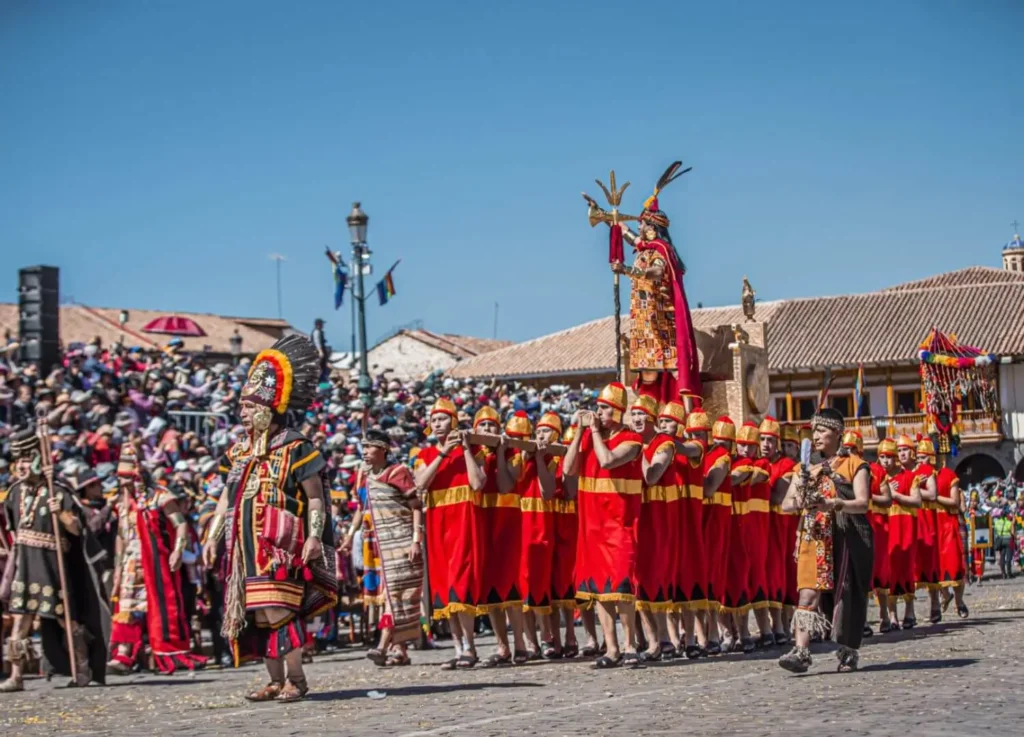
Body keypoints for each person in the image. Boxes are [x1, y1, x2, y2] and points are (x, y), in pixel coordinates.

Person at [202, 335, 338, 703]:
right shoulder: (238, 452)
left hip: (280, 545)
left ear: (267, 408)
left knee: (278, 607)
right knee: (257, 615)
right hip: (244, 548)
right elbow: (225, 499)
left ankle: (296, 678)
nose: (242, 412)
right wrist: (212, 537)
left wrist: (313, 537)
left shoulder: (296, 446)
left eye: (248, 406)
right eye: (241, 407)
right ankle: (275, 680)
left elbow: (315, 497)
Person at [1, 428, 108, 692]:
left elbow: (76, 529)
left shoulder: (58, 492)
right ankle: (16, 676)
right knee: (20, 621)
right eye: (19, 462)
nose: (22, 466)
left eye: (27, 460)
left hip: (52, 566)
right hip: (25, 565)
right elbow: (14, 530)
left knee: (67, 620)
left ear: (38, 460)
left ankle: (81, 669)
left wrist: (58, 512)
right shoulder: (14, 493)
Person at [778, 408, 872, 674]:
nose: (816, 436)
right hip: (813, 535)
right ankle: (801, 651)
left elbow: (863, 503)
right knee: (807, 592)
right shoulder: (804, 467)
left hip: (845, 536)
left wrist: (833, 503)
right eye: (814, 431)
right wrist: (802, 499)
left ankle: (848, 649)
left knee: (846, 593)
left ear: (838, 433)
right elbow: (786, 504)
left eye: (822, 430)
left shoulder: (855, 465)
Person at [562, 382, 643, 668]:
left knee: (621, 585)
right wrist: (579, 433)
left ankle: (631, 644)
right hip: (592, 526)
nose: (599, 412)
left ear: (619, 412)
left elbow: (608, 460)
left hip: (620, 523)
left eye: (605, 408)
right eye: (598, 407)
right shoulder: (588, 437)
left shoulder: (632, 439)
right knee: (599, 589)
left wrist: (594, 431)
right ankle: (611, 648)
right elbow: (567, 469)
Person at [107, 443, 206, 675]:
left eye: (128, 479)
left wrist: (177, 550)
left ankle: (169, 652)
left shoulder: (160, 497)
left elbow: (181, 525)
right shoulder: (122, 504)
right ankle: (124, 653)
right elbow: (121, 536)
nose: (125, 485)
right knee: (127, 607)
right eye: (121, 480)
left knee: (161, 606)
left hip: (155, 561)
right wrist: (118, 567)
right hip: (132, 564)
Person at [611, 162, 701, 405]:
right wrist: (612, 220)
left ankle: (684, 412)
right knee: (647, 371)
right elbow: (632, 239)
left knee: (671, 367)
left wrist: (629, 269)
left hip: (661, 319)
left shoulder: (661, 250)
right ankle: (651, 413)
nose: (638, 227)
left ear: (651, 229)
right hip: (644, 320)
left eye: (642, 224)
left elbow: (656, 271)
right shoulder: (645, 248)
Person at [340, 429, 423, 666]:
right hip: (377, 544)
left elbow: (416, 505)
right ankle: (400, 649)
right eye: (363, 448)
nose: (365, 452)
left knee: (397, 594)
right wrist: (349, 536)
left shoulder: (399, 472)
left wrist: (416, 539)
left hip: (402, 541)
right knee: (389, 594)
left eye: (370, 447)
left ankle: (382, 645)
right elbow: (360, 508)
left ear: (384, 450)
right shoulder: (365, 475)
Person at [415, 397, 486, 669]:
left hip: (463, 521)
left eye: (442, 419)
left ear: (454, 421)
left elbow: (478, 483)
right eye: (433, 420)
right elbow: (420, 483)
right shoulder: (425, 455)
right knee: (445, 587)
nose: (436, 424)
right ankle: (459, 649)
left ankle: (470, 645)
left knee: (461, 582)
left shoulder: (472, 449)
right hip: (437, 523)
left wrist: (465, 449)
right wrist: (443, 453)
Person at [474, 406, 527, 666]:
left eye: (491, 426)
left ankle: (519, 644)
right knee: (490, 585)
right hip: (483, 519)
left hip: (507, 519)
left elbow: (507, 484)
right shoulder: (474, 455)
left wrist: (503, 452)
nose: (486, 431)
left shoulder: (514, 453)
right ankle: (501, 646)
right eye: (482, 427)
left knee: (509, 580)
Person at [657, 400, 707, 658]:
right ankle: (670, 640)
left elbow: (686, 449)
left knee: (687, 582)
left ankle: (690, 640)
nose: (663, 426)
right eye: (662, 422)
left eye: (668, 422)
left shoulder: (696, 445)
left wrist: (665, 441)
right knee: (667, 580)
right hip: (667, 522)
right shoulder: (659, 448)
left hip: (688, 525)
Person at [633, 394, 680, 660]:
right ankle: (652, 640)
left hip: (660, 516)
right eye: (634, 415)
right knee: (640, 576)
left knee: (657, 573)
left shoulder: (665, 444)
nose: (637, 420)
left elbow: (652, 476)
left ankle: (663, 638)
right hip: (639, 514)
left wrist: (637, 450)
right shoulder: (634, 442)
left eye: (642, 415)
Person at [512, 411, 560, 657]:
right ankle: (529, 641)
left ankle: (547, 636)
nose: (540, 435)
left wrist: (540, 459)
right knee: (522, 584)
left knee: (540, 581)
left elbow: (547, 490)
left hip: (540, 524)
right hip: (518, 525)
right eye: (538, 431)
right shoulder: (518, 459)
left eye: (546, 431)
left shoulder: (553, 459)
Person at [690, 408, 731, 655]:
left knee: (712, 575)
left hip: (714, 521)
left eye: (700, 433)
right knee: (695, 577)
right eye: (692, 433)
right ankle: (700, 635)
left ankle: (715, 633)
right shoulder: (689, 455)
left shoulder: (721, 456)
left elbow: (708, 488)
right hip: (694, 519)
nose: (696, 437)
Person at [736, 422, 773, 648]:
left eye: (751, 445)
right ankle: (741, 633)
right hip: (738, 526)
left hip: (757, 529)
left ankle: (766, 629)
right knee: (739, 578)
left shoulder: (762, 465)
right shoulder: (734, 463)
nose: (746, 450)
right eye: (742, 445)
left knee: (758, 577)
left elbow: (751, 476)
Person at [760, 417, 797, 645]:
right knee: (769, 572)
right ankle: (774, 624)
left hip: (783, 523)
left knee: (783, 571)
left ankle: (783, 623)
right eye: (762, 439)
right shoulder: (755, 463)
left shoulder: (786, 466)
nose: (765, 444)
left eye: (770, 440)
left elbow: (778, 495)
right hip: (763, 522)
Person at [885, 435, 922, 629]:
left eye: (898, 452)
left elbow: (917, 501)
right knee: (889, 569)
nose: (888, 460)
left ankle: (909, 611)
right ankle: (891, 615)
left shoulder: (910, 477)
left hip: (906, 524)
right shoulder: (878, 478)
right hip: (886, 525)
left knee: (907, 566)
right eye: (897, 451)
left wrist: (895, 495)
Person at [912, 437, 942, 622]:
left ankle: (935, 604)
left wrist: (914, 488)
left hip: (929, 520)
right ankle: (910, 610)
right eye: (919, 457)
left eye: (924, 457)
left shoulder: (930, 473)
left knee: (931, 564)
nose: (921, 461)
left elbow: (932, 494)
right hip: (914, 519)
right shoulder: (913, 471)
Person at [866, 437, 894, 632]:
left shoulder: (876, 472)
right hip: (860, 525)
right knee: (863, 575)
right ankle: (863, 620)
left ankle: (885, 615)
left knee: (881, 571)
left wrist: (867, 495)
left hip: (880, 526)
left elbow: (887, 499)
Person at [934, 460, 968, 617]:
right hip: (931, 525)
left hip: (950, 524)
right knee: (935, 568)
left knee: (955, 565)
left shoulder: (949, 476)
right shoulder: (918, 475)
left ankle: (959, 602)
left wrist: (935, 497)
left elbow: (957, 505)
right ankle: (946, 596)